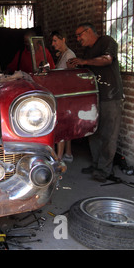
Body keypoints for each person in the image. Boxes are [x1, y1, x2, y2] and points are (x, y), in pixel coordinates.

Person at [68, 22, 124, 182]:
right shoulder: (87, 51)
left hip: (111, 96)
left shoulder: (106, 41)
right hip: (94, 96)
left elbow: (107, 60)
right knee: (93, 131)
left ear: (90, 31)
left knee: (108, 134)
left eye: (80, 35)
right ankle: (96, 164)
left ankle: (104, 170)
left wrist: (84, 62)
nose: (78, 39)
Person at [50, 30, 76, 163]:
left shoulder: (69, 55)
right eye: (53, 41)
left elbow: (71, 76)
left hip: (66, 94)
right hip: (63, 93)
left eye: (55, 40)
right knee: (66, 124)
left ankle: (59, 158)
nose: (53, 44)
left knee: (61, 125)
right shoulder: (63, 55)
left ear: (63, 39)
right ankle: (68, 153)